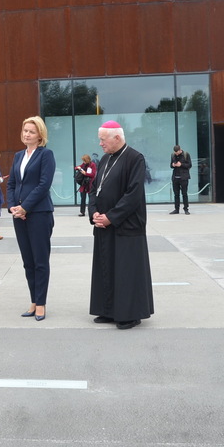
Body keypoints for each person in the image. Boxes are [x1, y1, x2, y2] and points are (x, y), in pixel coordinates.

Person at [88, 120, 154, 330]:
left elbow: (133, 195)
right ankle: (108, 310)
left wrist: (111, 217)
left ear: (117, 138)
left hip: (126, 226)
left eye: (102, 139)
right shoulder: (105, 159)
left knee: (126, 272)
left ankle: (130, 314)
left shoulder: (135, 158)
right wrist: (94, 213)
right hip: (104, 225)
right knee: (106, 268)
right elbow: (94, 189)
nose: (100, 144)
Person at [6, 116, 55, 321]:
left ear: (40, 135)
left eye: (31, 131)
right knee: (28, 261)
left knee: (40, 260)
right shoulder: (18, 156)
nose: (27, 134)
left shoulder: (46, 155)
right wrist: (12, 208)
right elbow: (12, 184)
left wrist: (26, 207)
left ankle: (41, 303)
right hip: (19, 216)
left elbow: (44, 185)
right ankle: (33, 301)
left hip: (39, 214)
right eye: (25, 130)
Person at [170, 144, 191, 215]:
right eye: (175, 152)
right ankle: (176, 209)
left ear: (180, 150)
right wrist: (173, 165)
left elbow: (189, 165)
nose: (176, 153)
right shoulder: (173, 155)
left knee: (184, 193)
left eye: (177, 152)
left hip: (184, 177)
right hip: (175, 177)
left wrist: (181, 164)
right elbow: (170, 165)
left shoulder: (186, 155)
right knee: (176, 194)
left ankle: (186, 209)